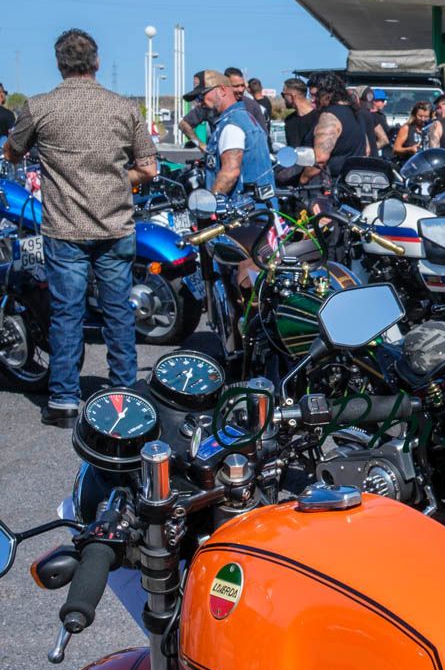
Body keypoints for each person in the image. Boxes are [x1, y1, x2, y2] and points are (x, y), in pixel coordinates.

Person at [4, 29, 156, 427]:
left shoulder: (39, 108)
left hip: (65, 229)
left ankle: (64, 401)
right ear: (97, 61)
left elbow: (12, 152)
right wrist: (117, 179)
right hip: (115, 225)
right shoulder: (124, 108)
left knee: (66, 314)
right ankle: (125, 393)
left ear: (59, 64)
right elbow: (149, 168)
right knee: (118, 313)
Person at [186, 70, 274, 197]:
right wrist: (200, 144)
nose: (199, 102)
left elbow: (230, 173)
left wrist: (210, 204)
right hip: (258, 209)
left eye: (201, 96)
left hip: (242, 210)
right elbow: (184, 124)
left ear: (221, 90)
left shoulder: (231, 125)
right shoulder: (244, 117)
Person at [300, 73, 366, 185]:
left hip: (332, 189)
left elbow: (320, 159)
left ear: (328, 93)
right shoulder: (356, 113)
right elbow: (367, 149)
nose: (312, 100)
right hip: (354, 184)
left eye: (315, 95)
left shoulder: (329, 117)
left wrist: (302, 181)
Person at [223, 68, 269, 133]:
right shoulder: (217, 106)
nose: (241, 90)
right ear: (225, 86)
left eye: (242, 85)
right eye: (236, 86)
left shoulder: (252, 106)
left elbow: (263, 134)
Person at [280, 77, 316, 148]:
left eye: (283, 95)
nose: (283, 98)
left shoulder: (318, 118)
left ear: (292, 96)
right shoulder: (289, 120)